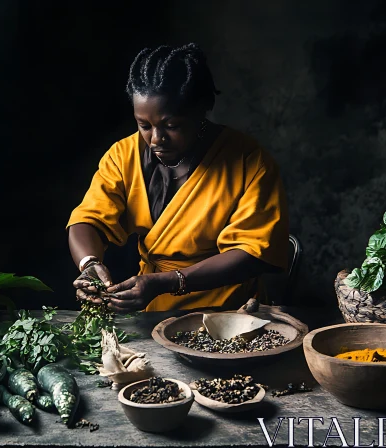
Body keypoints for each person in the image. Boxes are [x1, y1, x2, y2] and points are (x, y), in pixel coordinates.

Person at [66, 43, 289, 313]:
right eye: (144, 125)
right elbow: (88, 220)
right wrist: (89, 265)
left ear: (203, 106)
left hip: (231, 312)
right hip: (153, 312)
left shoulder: (249, 162)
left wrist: (167, 282)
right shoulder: (123, 156)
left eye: (172, 126)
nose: (157, 139)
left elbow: (254, 253)